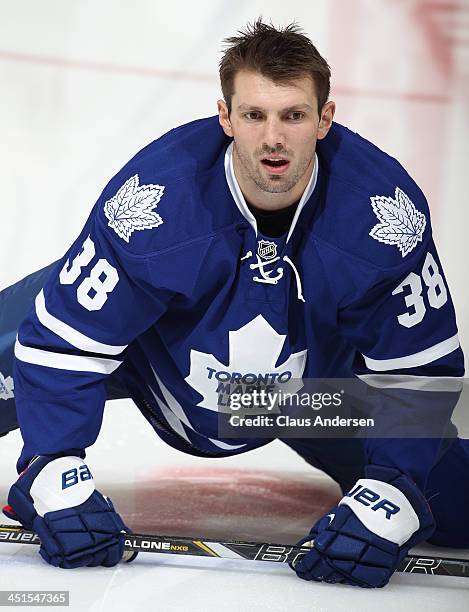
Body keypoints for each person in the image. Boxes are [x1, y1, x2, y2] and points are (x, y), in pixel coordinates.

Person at [1, 19, 467, 587]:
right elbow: (65, 344)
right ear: (226, 118)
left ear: (324, 119)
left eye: (294, 115)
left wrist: (394, 488)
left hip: (301, 396)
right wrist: (52, 464)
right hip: (150, 362)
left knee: (456, 504)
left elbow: (418, 370)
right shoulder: (157, 202)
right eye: (254, 115)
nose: (273, 137)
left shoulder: (382, 218)